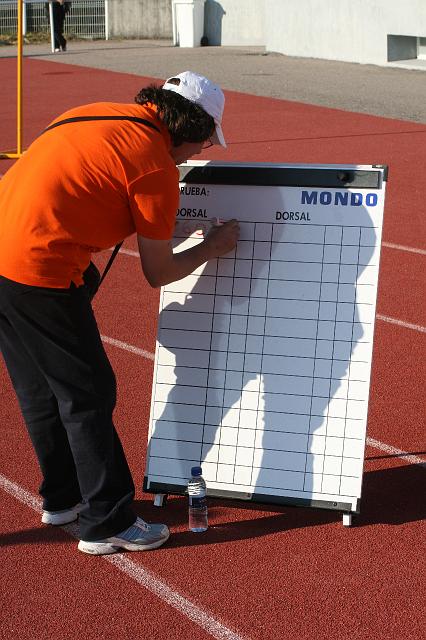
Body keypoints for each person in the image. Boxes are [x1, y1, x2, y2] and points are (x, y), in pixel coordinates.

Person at [0, 71, 240, 555]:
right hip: (38, 271)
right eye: (202, 144)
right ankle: (108, 520)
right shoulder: (155, 166)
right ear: (189, 130)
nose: (199, 154)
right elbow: (158, 271)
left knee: (41, 388)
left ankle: (63, 498)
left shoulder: (93, 111)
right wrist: (212, 247)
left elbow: (80, 183)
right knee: (89, 393)